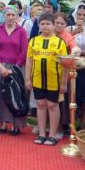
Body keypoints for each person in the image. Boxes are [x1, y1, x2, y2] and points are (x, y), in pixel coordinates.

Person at [25, 13, 73, 146]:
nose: (45, 26)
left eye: (48, 24)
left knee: (52, 105)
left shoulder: (59, 42)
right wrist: (27, 79)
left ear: (53, 25)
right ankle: (41, 133)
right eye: (42, 24)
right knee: (40, 104)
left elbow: (65, 64)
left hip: (54, 80)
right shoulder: (34, 41)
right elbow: (29, 61)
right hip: (38, 79)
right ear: (39, 25)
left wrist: (63, 82)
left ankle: (52, 134)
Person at [0, 6, 27, 135]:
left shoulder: (21, 31)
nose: (10, 17)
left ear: (16, 16)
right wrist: (0, 66)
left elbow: (24, 51)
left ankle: (15, 125)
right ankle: (3, 123)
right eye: (8, 15)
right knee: (0, 95)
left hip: (16, 67)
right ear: (3, 16)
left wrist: (14, 69)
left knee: (15, 95)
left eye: (13, 15)